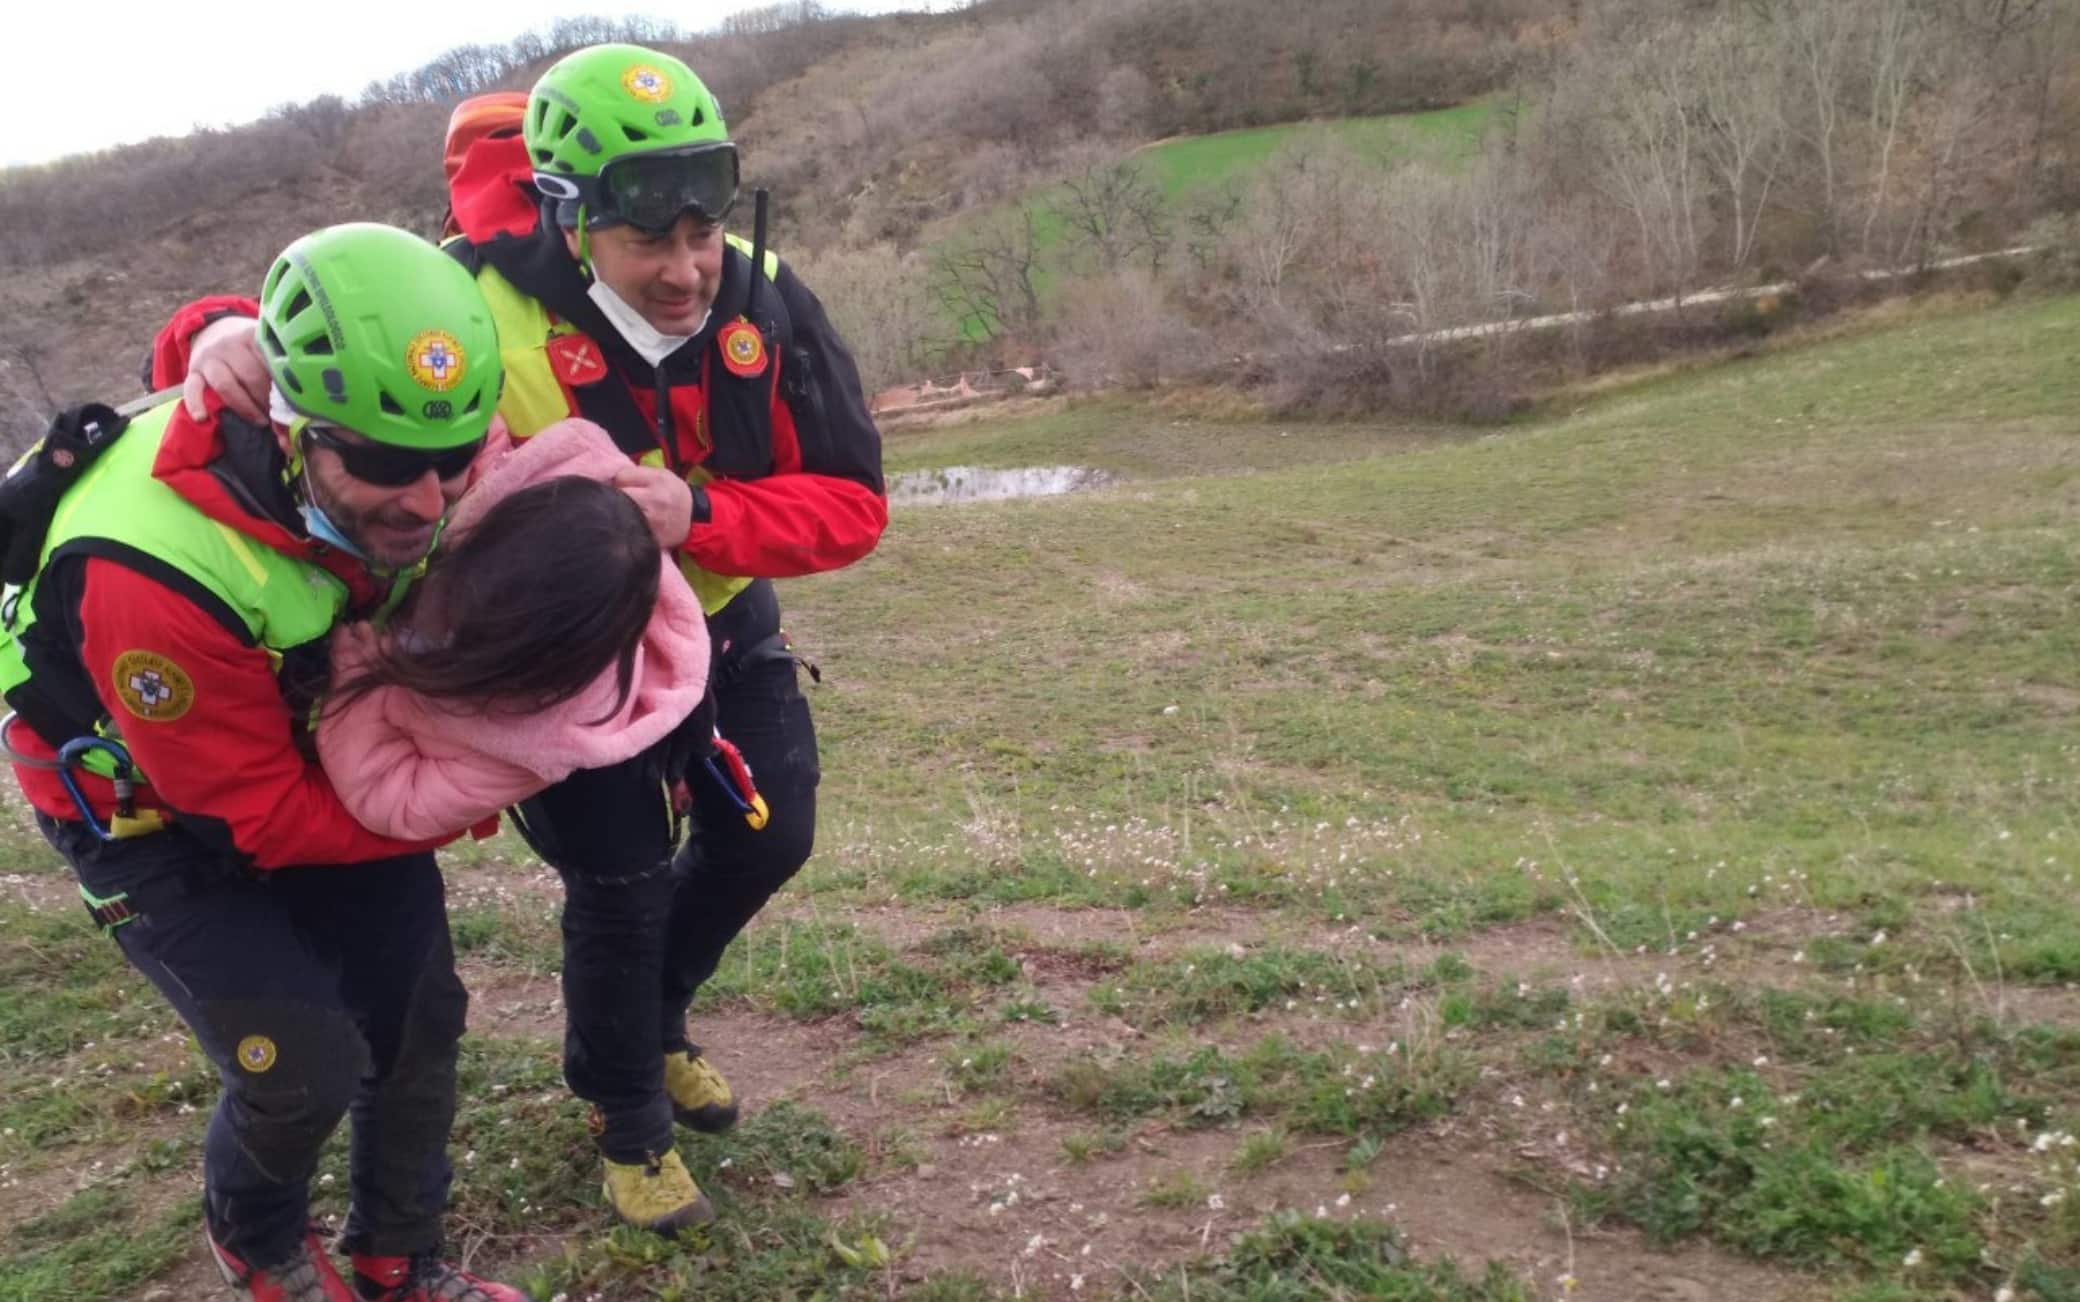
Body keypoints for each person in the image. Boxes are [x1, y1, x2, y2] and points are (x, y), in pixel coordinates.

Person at [171, 43, 888, 1231]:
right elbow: (324, 340)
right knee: (620, 883)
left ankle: (651, 1024)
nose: (685, 272)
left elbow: (855, 503)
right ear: (566, 215)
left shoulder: (762, 293)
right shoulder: (473, 303)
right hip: (558, 659)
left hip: (715, 616)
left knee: (771, 835)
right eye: (649, 242)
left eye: (703, 234)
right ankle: (625, 1111)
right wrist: (210, 335)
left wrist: (703, 515)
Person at [0, 223, 529, 1302]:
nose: (427, 500)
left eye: (452, 458)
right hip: (146, 811)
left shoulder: (405, 427)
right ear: (292, 429)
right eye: (382, 465)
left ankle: (400, 1257)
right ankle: (261, 1242)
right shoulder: (150, 565)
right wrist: (460, 797)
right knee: (298, 1064)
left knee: (418, 1016)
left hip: (306, 748)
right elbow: (257, 820)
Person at [317, 417, 710, 844]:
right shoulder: (511, 483)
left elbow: (398, 803)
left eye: (474, 632)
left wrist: (354, 677)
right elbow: (463, 425)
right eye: (458, 589)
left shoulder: (543, 735)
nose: (446, 616)